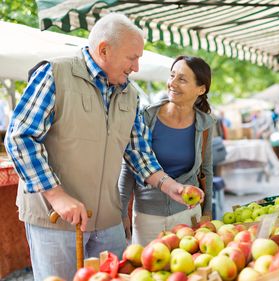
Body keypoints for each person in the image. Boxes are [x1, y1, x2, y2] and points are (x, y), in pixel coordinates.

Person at [5, 14, 202, 281]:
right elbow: (20, 137)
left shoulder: (130, 94)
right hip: (55, 220)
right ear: (104, 49)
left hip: (108, 220)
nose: (136, 67)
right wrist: (56, 195)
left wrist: (171, 187)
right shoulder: (54, 74)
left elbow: (139, 153)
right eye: (132, 57)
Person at [118, 56, 214, 245]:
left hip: (189, 214)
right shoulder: (146, 117)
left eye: (182, 79)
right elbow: (129, 168)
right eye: (172, 76)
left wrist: (208, 211)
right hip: (147, 217)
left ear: (201, 89)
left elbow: (207, 169)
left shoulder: (205, 124)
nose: (172, 83)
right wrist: (122, 213)